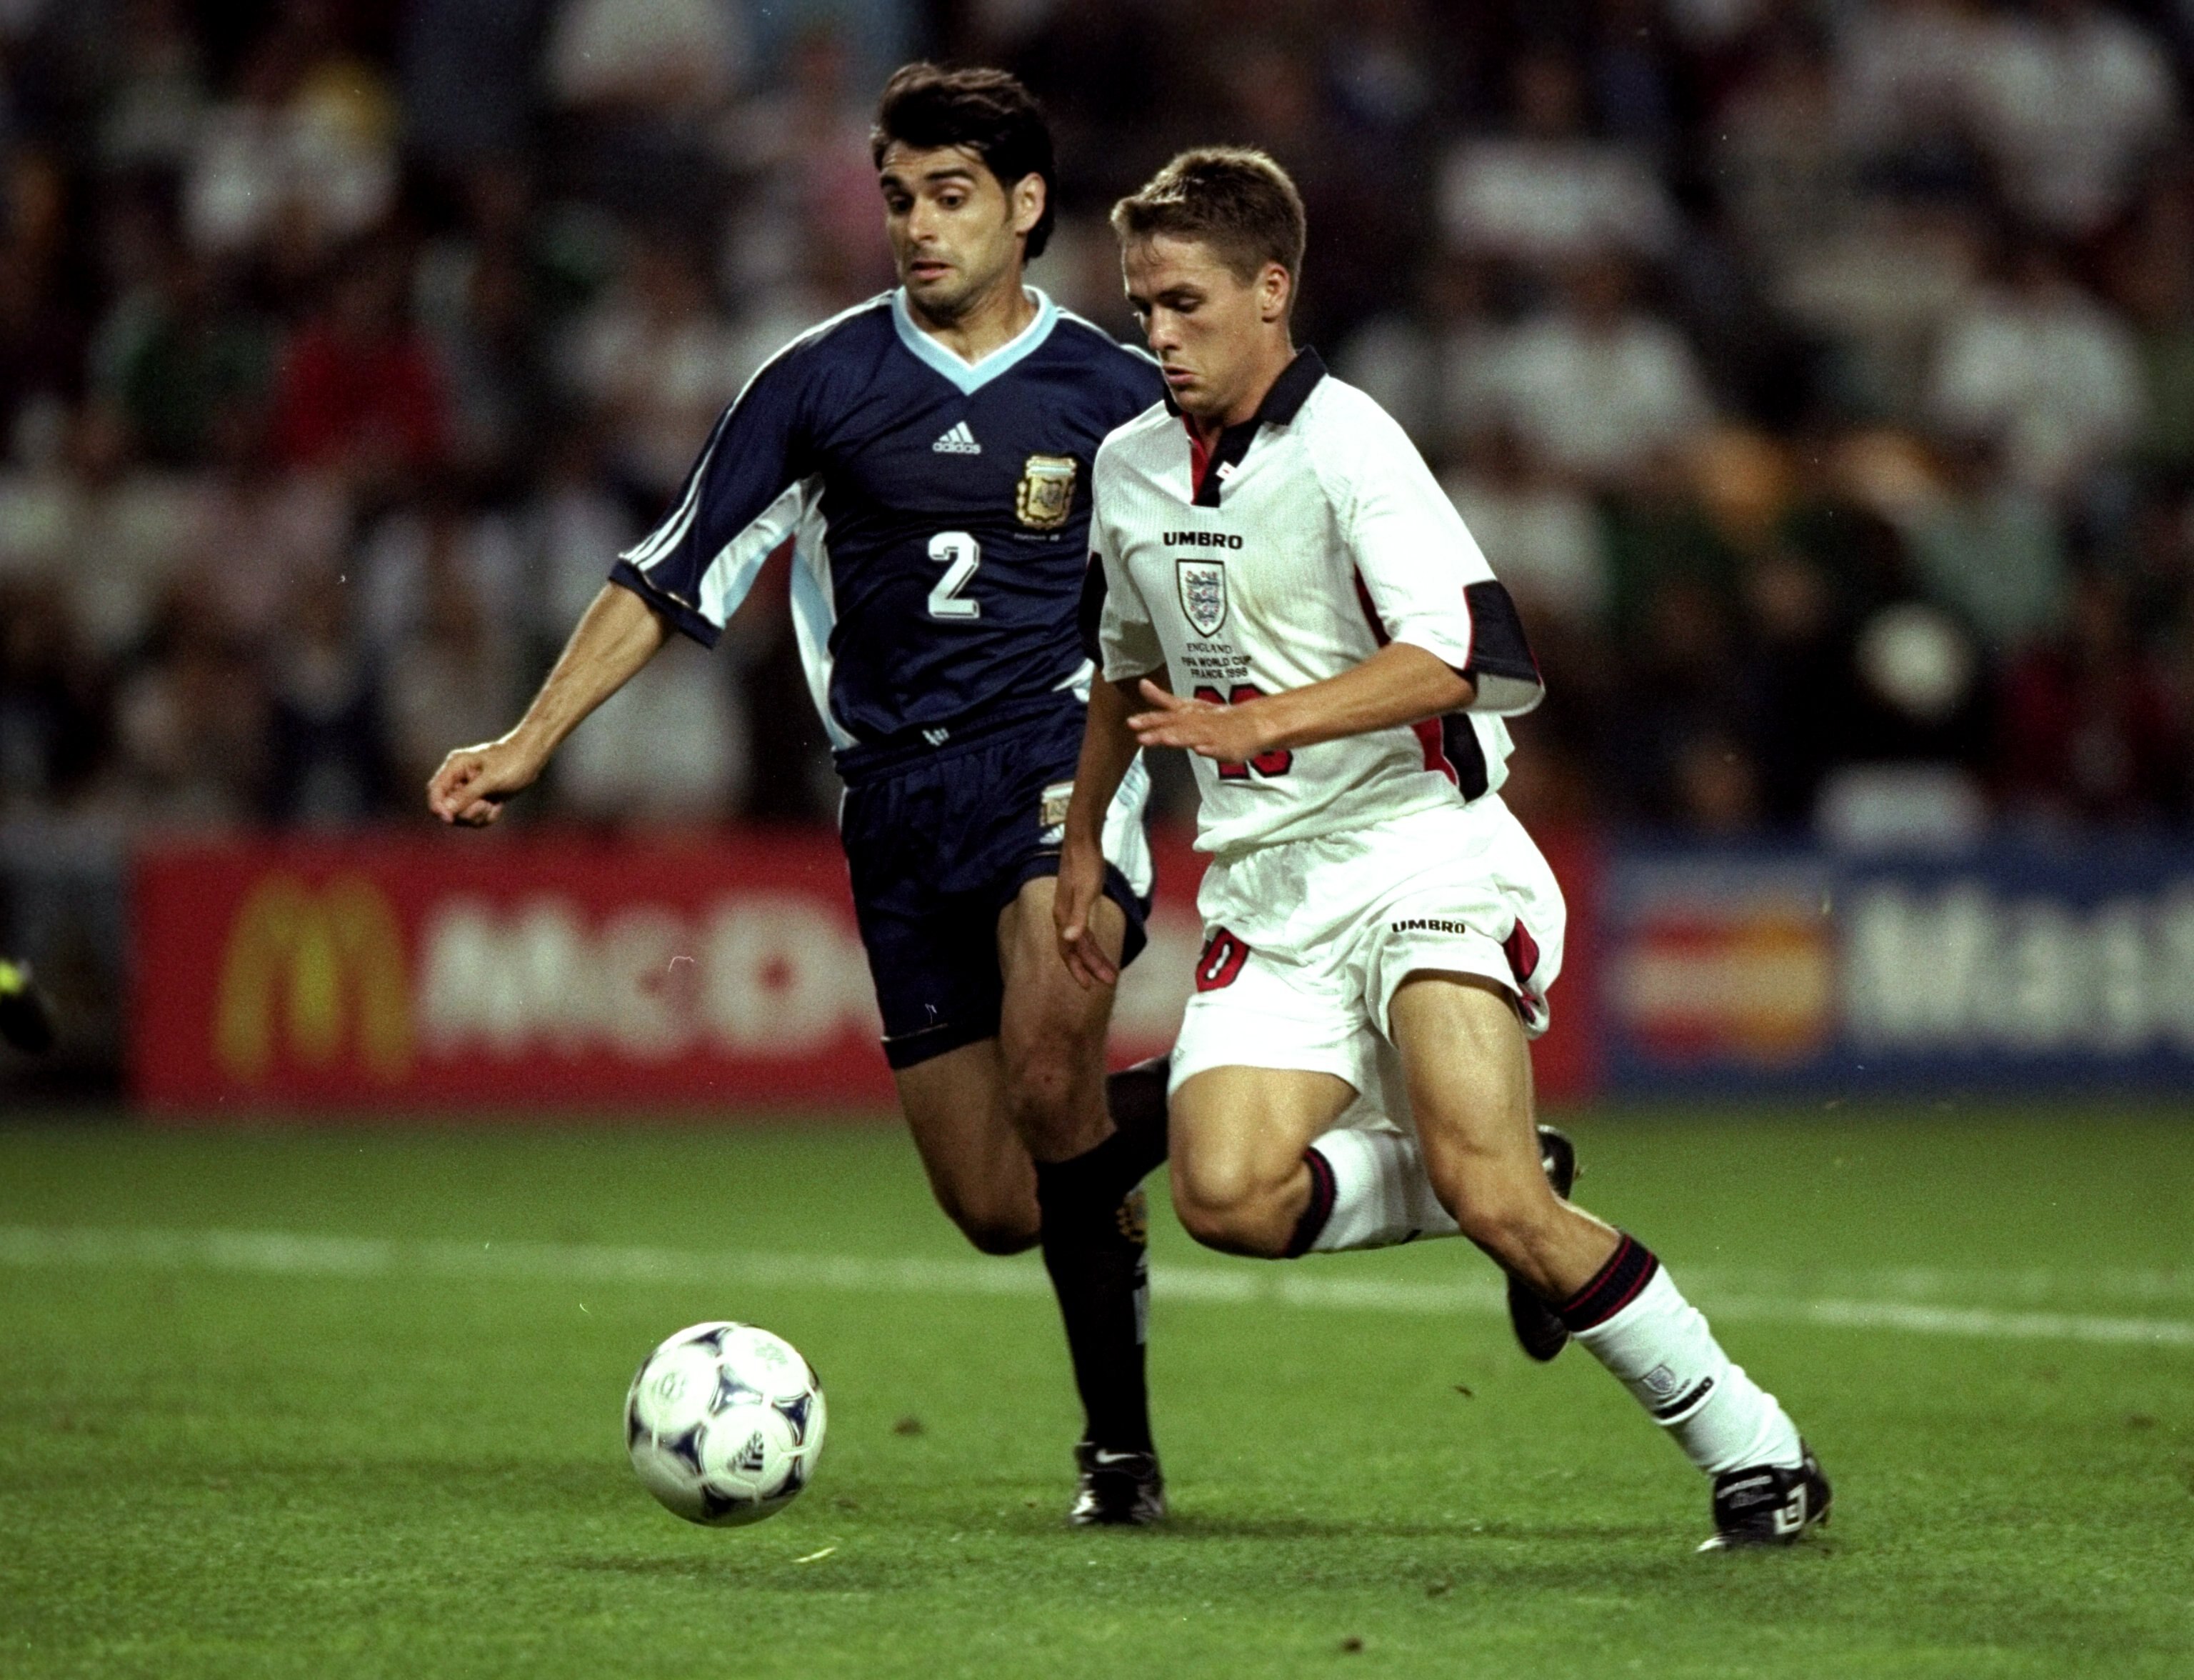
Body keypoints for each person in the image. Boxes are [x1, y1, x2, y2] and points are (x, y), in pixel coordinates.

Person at [1056, 147, 1830, 1551]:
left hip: (1423, 855)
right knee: (1228, 1196)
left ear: (1270, 289)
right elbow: (1122, 671)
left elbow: (1475, 651)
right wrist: (1077, 845)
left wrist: (1276, 717)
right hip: (1269, 893)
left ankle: (1757, 1450)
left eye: (1182, 303)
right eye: (1140, 308)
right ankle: (1506, 1156)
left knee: (1493, 1200)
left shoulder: (1351, 443)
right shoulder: (1124, 471)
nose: (1155, 334)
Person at [428, 65, 1172, 1526]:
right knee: (1000, 1200)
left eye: (951, 196)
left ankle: (1119, 1456)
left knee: (1047, 1068)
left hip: (1053, 771)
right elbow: (675, 566)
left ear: (1027, 207)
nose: (918, 228)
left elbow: (1221, 571)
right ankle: (1265, 1101)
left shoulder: (1118, 395)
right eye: (899, 199)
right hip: (894, 804)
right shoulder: (819, 382)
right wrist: (531, 737)